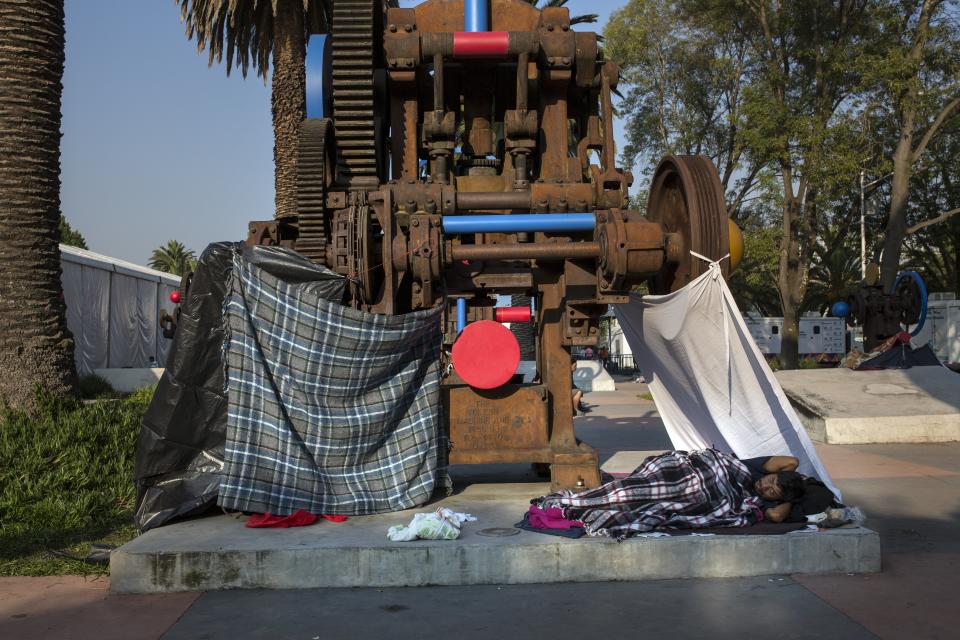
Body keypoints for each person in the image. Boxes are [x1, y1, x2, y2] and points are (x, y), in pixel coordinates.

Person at [739, 455, 839, 523]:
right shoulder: (758, 470)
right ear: (775, 473)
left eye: (772, 492)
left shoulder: (761, 501)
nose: (764, 487)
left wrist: (790, 497)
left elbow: (775, 515)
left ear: (778, 500)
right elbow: (793, 462)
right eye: (770, 480)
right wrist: (789, 477)